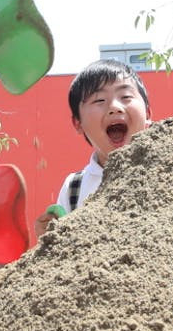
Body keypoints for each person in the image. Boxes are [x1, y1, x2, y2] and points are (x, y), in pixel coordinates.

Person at [32, 59, 151, 238]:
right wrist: (51, 239)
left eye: (126, 97)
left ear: (148, 113)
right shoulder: (74, 188)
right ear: (78, 123)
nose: (114, 107)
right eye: (100, 100)